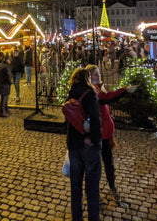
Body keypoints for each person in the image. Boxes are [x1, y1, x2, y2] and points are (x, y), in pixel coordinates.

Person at [85, 64, 136, 202]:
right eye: (96, 74)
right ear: (89, 77)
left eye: (99, 73)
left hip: (106, 133)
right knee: (97, 166)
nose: (99, 76)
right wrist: (124, 90)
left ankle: (112, 187)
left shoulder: (98, 88)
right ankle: (94, 193)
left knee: (108, 164)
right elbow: (108, 97)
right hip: (98, 134)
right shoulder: (93, 92)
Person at [66, 68, 101, 221]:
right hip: (88, 144)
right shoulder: (90, 94)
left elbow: (68, 121)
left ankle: (77, 217)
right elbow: (95, 119)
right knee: (92, 187)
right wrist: (95, 140)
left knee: (75, 187)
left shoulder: (71, 94)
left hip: (74, 144)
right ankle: (93, 217)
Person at [0, 52, 12, 117]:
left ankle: (5, 110)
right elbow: (9, 75)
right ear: (7, 60)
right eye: (10, 60)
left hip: (0, 83)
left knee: (3, 98)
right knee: (4, 98)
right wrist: (10, 81)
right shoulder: (6, 66)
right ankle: (2, 112)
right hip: (5, 84)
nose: (10, 62)